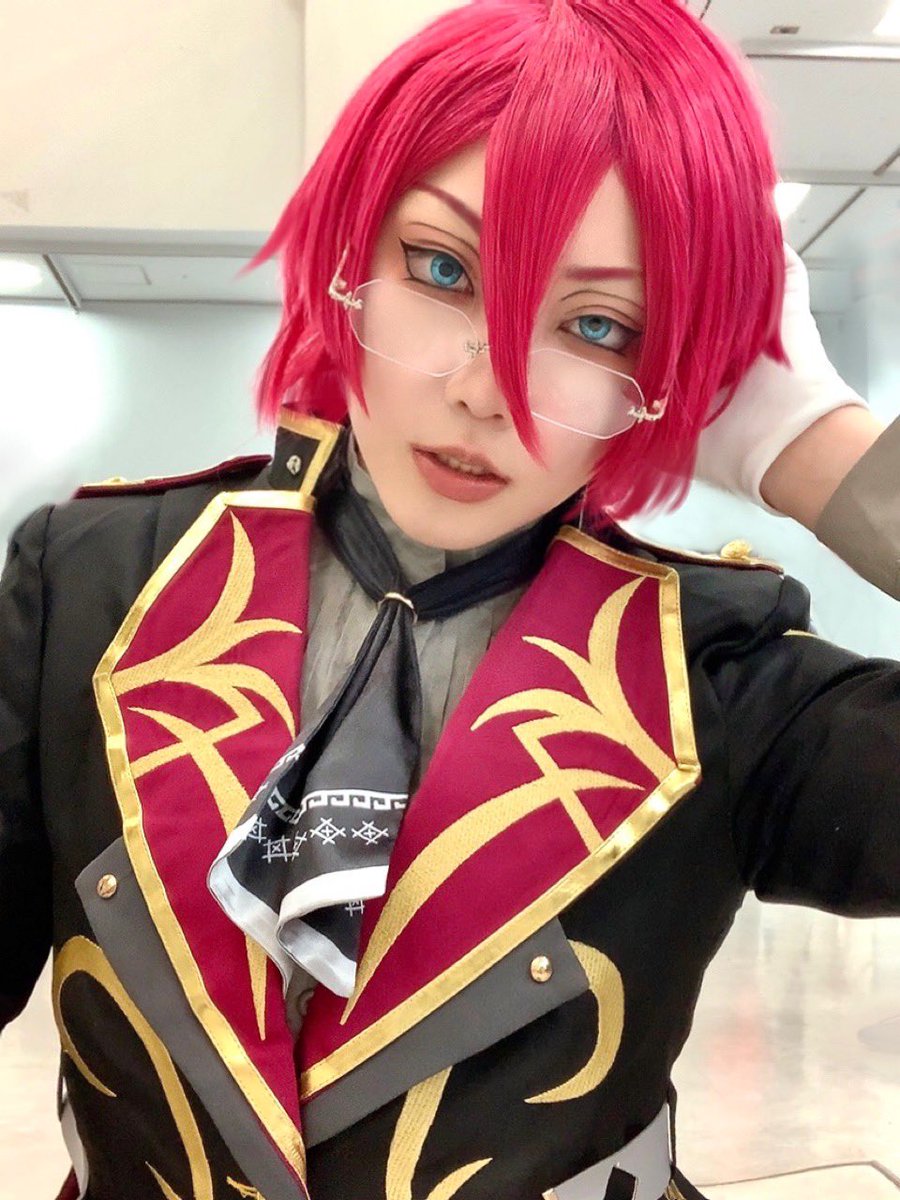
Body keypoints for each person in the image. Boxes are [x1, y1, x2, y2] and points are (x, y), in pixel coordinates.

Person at [1, 2, 897, 1199]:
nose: (489, 389)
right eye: (442, 268)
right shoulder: (92, 581)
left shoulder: (719, 675)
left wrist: (823, 452)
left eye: (597, 324)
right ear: (353, 252)